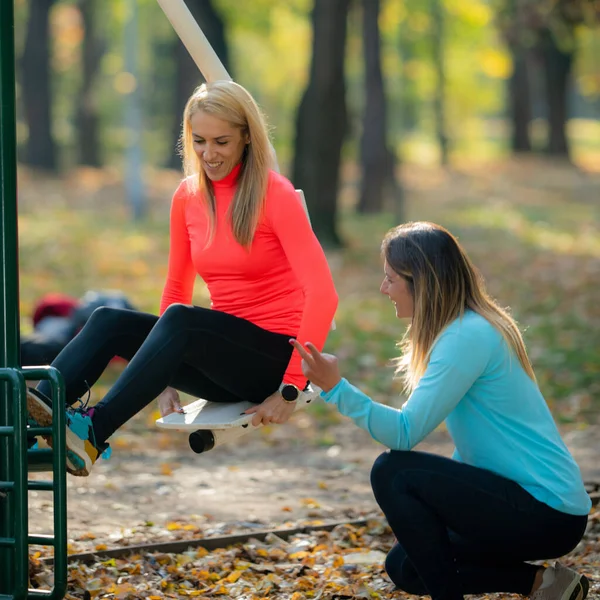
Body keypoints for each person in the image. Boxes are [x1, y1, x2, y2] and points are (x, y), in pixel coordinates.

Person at [26, 80, 338, 478]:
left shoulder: (274, 195)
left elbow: (323, 295)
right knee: (108, 320)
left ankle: (93, 432)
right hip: (223, 359)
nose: (209, 153)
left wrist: (291, 388)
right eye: (199, 141)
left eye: (222, 141)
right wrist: (160, 374)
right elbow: (176, 288)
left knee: (184, 320)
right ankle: (28, 430)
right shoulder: (188, 196)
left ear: (246, 136)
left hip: (274, 360)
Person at [291, 221, 590, 600]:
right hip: (526, 503)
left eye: (390, 279)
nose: (384, 289)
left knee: (392, 471)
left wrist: (336, 388)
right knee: (406, 566)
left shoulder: (467, 336)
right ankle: (547, 586)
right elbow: (477, 442)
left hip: (546, 511)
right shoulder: (464, 330)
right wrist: (447, 497)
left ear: (420, 281)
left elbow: (404, 434)